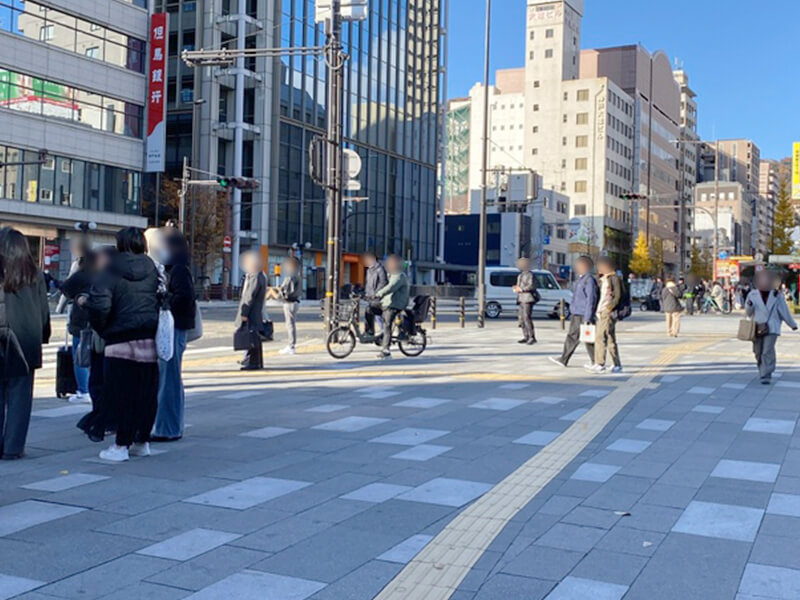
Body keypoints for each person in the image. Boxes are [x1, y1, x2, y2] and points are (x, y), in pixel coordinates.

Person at [87, 227, 160, 462]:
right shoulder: (153, 269)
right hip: (147, 339)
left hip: (119, 339)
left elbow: (99, 304)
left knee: (119, 393)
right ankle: (141, 441)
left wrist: (103, 328)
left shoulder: (113, 268)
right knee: (145, 393)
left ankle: (120, 446)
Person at [0, 228, 51, 459]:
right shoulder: (35, 274)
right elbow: (43, 311)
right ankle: (13, 447)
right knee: (20, 399)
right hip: (26, 342)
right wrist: (42, 336)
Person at [152, 231, 196, 442]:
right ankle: (171, 426)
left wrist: (163, 298)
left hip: (174, 328)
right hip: (176, 328)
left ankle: (166, 428)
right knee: (171, 379)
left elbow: (184, 297)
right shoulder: (177, 269)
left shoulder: (178, 270)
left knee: (168, 379)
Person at [75, 246, 116, 443]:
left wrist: (85, 302)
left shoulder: (105, 279)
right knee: (101, 381)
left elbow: (101, 306)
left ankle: (104, 421)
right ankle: (104, 419)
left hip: (104, 338)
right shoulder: (113, 277)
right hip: (110, 339)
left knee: (100, 382)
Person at [745, 271, 798, 385]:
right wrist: (749, 305)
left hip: (772, 326)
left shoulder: (776, 295)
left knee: (767, 351)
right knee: (757, 351)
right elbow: (748, 313)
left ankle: (766, 374)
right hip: (756, 326)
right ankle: (762, 368)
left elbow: (784, 311)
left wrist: (792, 324)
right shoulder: (752, 295)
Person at [550, 256, 598, 368]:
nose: (577, 267)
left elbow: (591, 299)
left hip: (583, 314)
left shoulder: (589, 280)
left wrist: (588, 317)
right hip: (577, 313)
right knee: (579, 337)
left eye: (579, 265)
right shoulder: (581, 279)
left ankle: (595, 361)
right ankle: (565, 359)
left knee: (585, 338)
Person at [60, 250, 94, 404]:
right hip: (99, 323)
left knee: (80, 356)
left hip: (81, 322)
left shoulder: (80, 276)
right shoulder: (105, 275)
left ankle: (83, 390)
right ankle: (91, 388)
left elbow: (66, 289)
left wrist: (75, 271)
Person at [588, 256, 622, 374]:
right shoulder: (603, 279)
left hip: (607, 312)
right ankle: (616, 364)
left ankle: (600, 363)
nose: (598, 268)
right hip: (601, 311)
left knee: (600, 337)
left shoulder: (614, 279)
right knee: (610, 338)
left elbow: (618, 295)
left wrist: (609, 308)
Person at [235, 251, 267, 370]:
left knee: (251, 337)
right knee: (255, 337)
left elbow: (249, 296)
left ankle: (252, 362)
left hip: (252, 312)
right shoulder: (261, 275)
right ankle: (255, 361)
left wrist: (244, 313)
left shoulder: (255, 277)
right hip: (256, 312)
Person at [375, 254, 410, 359]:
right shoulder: (392, 275)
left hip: (396, 304)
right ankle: (375, 333)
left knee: (387, 325)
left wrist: (379, 294)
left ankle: (386, 350)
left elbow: (391, 287)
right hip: (389, 303)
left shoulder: (399, 276)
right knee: (371, 309)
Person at [362, 252, 388, 341]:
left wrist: (376, 294)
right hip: (371, 298)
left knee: (372, 312)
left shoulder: (380, 269)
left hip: (379, 298)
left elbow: (383, 283)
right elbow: (368, 284)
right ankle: (370, 331)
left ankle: (380, 333)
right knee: (371, 313)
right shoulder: (369, 270)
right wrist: (365, 294)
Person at [279, 256, 302, 356]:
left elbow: (286, 290)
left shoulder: (290, 276)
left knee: (290, 325)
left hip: (289, 302)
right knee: (291, 324)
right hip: (295, 302)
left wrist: (281, 293)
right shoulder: (298, 275)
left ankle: (291, 346)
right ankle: (291, 345)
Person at [512, 257, 537, 345]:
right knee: (521, 318)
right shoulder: (520, 275)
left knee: (527, 317)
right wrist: (516, 288)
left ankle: (531, 337)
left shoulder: (530, 275)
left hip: (527, 298)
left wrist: (521, 289)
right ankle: (526, 336)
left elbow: (531, 286)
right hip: (521, 298)